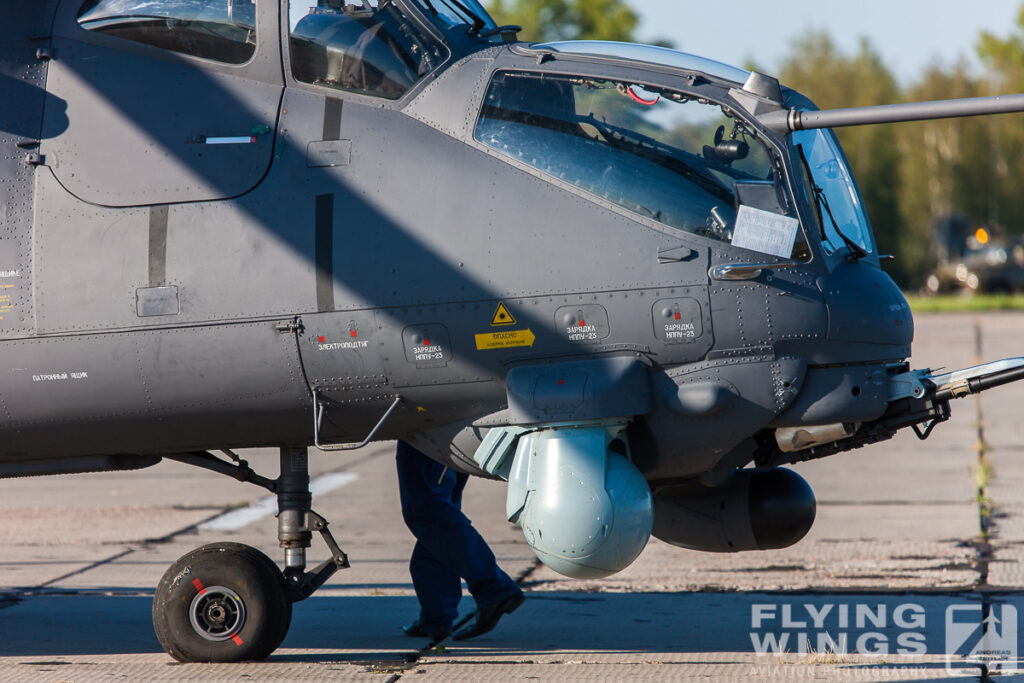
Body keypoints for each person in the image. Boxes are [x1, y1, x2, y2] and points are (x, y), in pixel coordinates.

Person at [396, 440, 524, 641]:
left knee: (428, 509)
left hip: (426, 421)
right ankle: (436, 616)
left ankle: (494, 589)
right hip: (438, 422)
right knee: (439, 517)